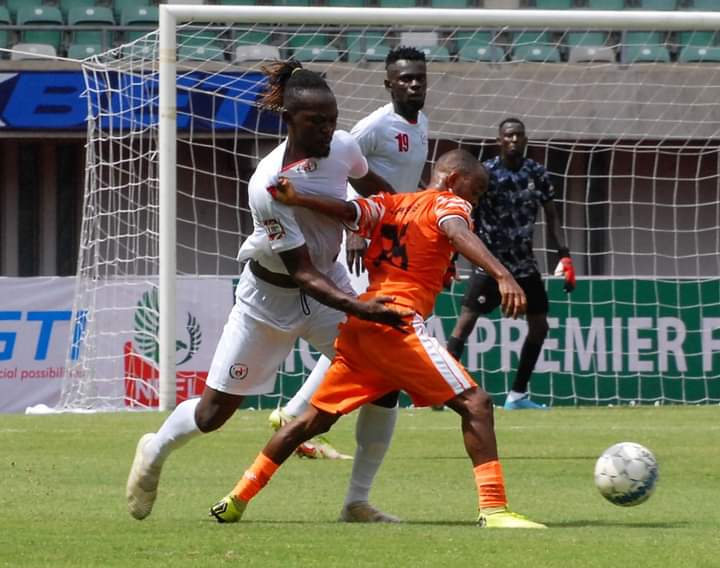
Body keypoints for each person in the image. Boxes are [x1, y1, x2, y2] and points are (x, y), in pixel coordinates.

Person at [125, 59, 412, 521]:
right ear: (289, 120)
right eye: (315, 121)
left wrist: (403, 227)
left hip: (330, 284)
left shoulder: (343, 146)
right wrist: (362, 308)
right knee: (213, 415)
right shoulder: (268, 183)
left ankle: (356, 502)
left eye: (332, 119)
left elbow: (380, 193)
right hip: (268, 301)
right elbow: (300, 272)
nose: (327, 129)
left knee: (384, 378)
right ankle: (154, 450)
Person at [208, 149, 546, 529]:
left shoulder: (389, 204)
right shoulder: (450, 204)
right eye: (476, 191)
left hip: (362, 323)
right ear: (453, 180)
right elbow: (455, 228)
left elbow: (349, 211)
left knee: (311, 422)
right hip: (396, 324)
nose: (476, 201)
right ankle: (494, 509)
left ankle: (237, 497)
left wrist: (299, 198)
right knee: (477, 404)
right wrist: (503, 275)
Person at [267, 46, 430, 522]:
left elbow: (398, 185)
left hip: (396, 240)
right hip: (365, 243)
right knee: (363, 337)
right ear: (388, 83)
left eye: (419, 77)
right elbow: (341, 170)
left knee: (360, 340)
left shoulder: (421, 123)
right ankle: (298, 414)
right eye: (404, 78)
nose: (414, 84)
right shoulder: (373, 126)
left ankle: (295, 412)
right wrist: (357, 231)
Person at [446, 118, 575, 410]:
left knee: (539, 326)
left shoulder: (536, 173)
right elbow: (466, 215)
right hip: (490, 265)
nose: (514, 140)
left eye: (518, 135)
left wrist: (564, 255)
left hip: (525, 265)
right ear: (499, 140)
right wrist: (451, 258)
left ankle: (517, 395)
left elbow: (552, 216)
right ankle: (440, 391)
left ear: (525, 139)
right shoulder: (485, 173)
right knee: (464, 325)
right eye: (508, 135)